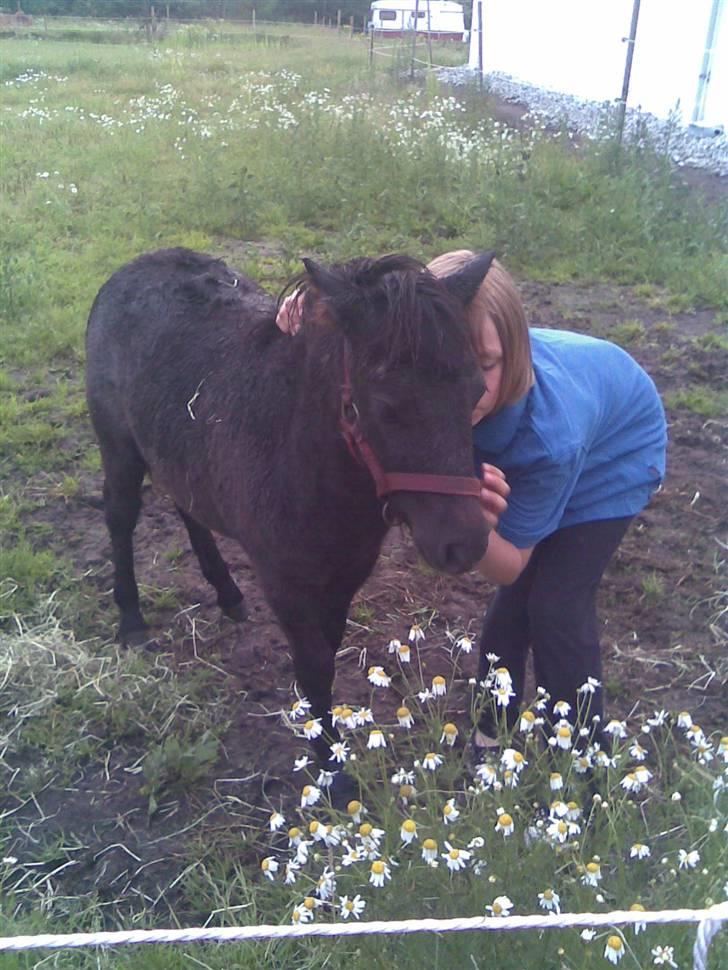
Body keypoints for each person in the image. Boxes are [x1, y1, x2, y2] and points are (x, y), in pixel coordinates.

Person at [276, 251, 667, 753]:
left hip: (610, 460)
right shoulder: (441, 383)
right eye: (461, 362)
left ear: (514, 354)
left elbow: (506, 567)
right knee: (513, 608)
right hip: (564, 415)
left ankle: (584, 761)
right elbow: (376, 307)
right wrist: (312, 308)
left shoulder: (550, 440)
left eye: (485, 364)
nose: (470, 383)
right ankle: (491, 730)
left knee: (551, 602)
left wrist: (478, 526)